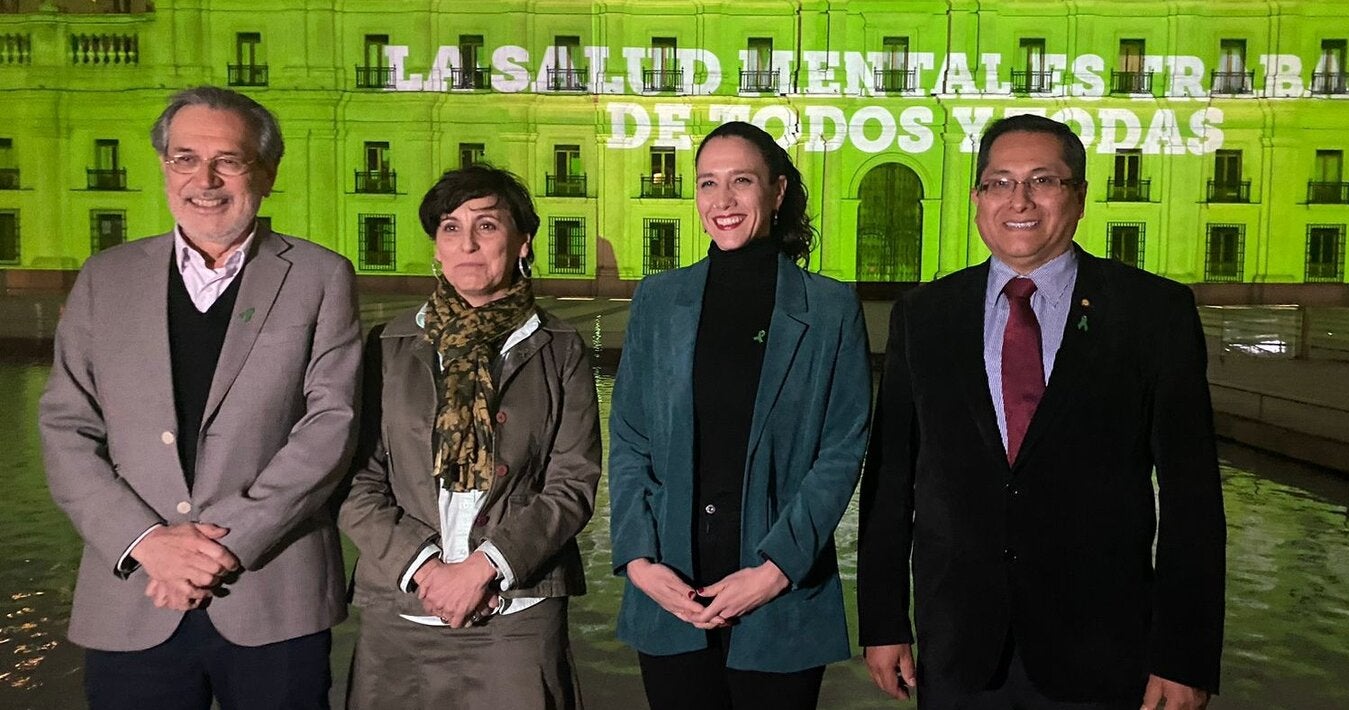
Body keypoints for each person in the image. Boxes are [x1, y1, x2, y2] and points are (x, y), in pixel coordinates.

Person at [857, 113, 1226, 709]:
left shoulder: (1153, 313)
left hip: (1102, 653)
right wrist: (883, 622)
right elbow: (891, 482)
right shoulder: (923, 316)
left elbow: (1193, 500)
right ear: (978, 199)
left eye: (1043, 181)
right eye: (999, 182)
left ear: (1078, 196)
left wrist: (1184, 655)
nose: (1018, 200)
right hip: (957, 651)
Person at [38, 86, 360, 709]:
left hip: (273, 592)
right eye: (185, 158)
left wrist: (227, 543)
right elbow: (65, 428)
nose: (205, 180)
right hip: (135, 592)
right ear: (164, 166)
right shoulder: (105, 278)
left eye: (228, 161)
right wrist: (149, 544)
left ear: (266, 172)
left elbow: (331, 425)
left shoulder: (322, 276)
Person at [608, 121, 872, 710]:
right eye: (707, 184)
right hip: (671, 593)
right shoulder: (657, 300)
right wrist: (639, 561)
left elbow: (842, 448)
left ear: (777, 192)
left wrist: (775, 570)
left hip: (779, 599)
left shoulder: (830, 308)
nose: (722, 201)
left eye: (741, 181)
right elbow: (628, 440)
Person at [338, 165, 599, 709]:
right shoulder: (387, 344)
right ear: (436, 247)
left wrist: (484, 567)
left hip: (518, 615)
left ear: (522, 242)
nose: (467, 244)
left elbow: (572, 484)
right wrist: (427, 571)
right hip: (403, 609)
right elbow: (356, 480)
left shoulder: (560, 347)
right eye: (451, 228)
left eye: (486, 226)